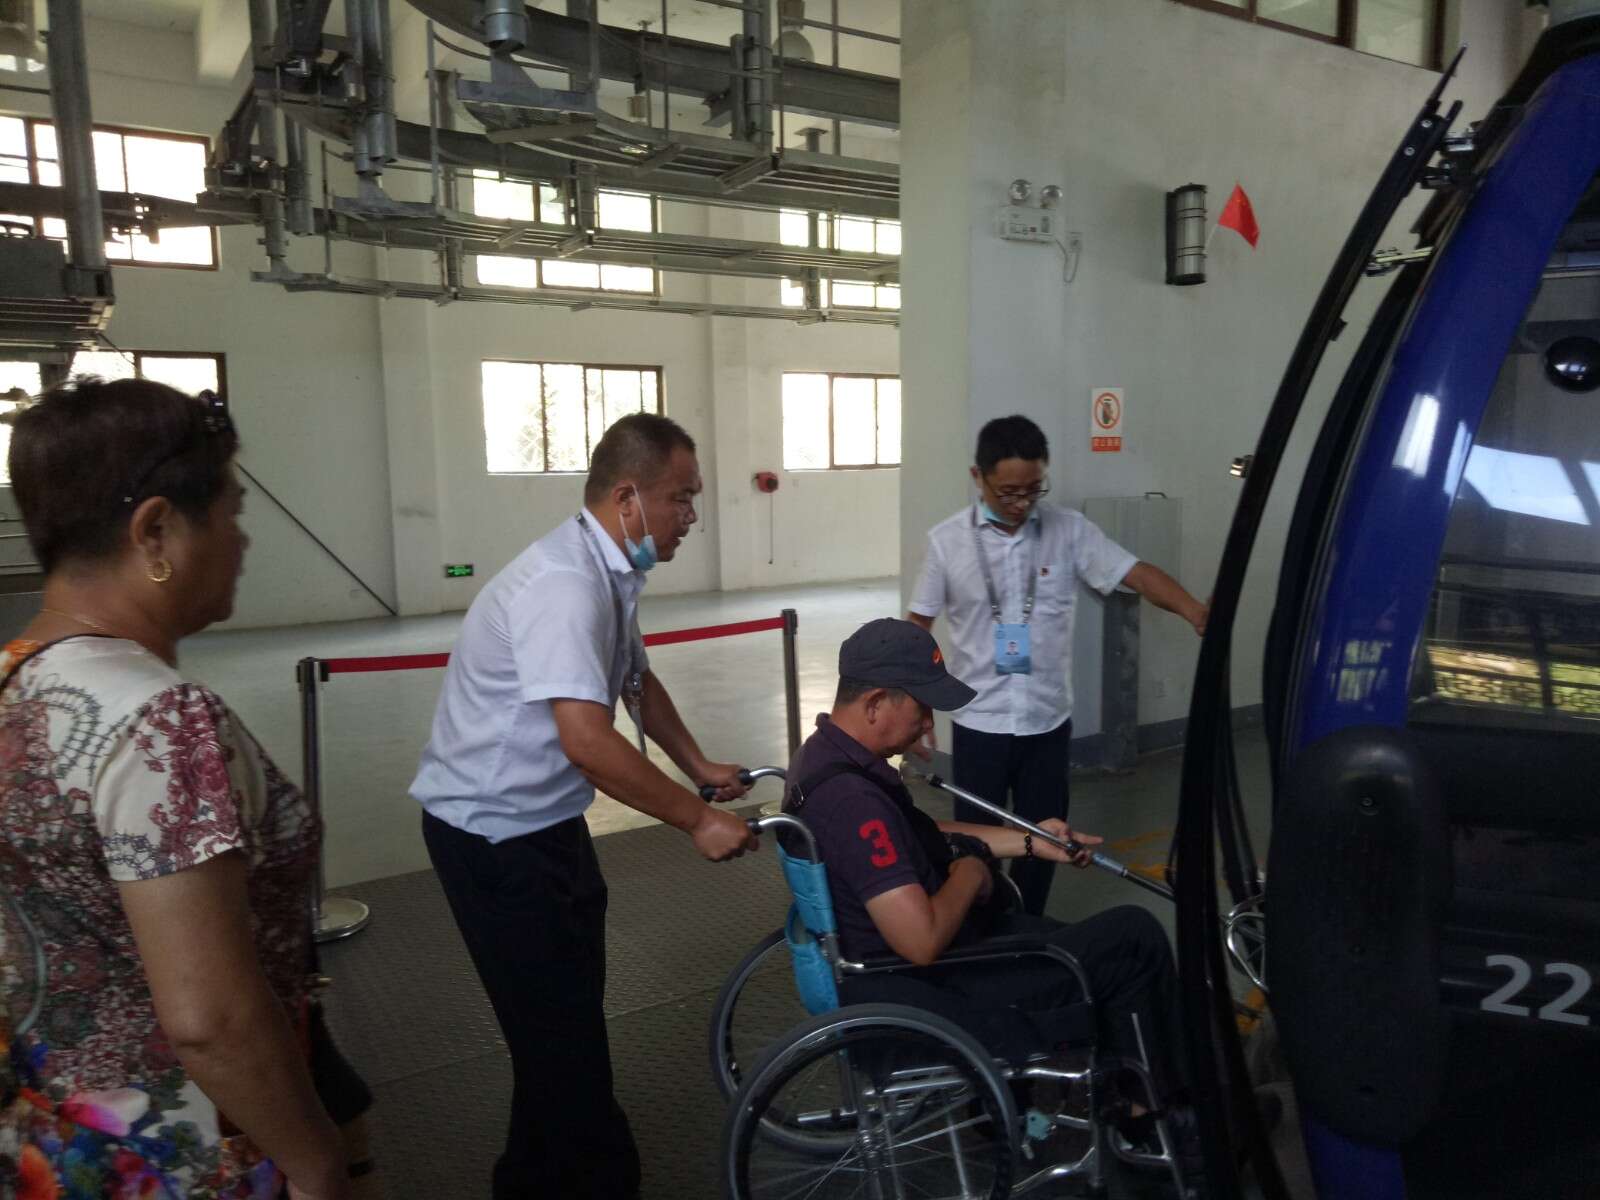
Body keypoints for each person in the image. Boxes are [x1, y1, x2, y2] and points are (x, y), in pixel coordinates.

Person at [0, 378, 375, 1199]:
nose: (243, 540)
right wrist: (316, 1161)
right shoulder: (159, 721)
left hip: (54, 1141)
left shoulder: (14, 681)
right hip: (187, 1153)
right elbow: (211, 1020)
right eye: (232, 513)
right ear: (156, 530)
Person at [410, 412, 758, 1200]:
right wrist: (697, 818)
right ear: (627, 498)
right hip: (491, 835)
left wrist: (697, 766)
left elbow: (635, 677)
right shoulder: (564, 584)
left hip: (546, 823)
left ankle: (527, 1179)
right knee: (564, 1048)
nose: (691, 516)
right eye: (681, 498)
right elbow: (588, 742)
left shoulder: (608, 570)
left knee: (560, 1032)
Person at [783, 618, 1192, 1142]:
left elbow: (919, 834)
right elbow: (921, 940)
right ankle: (1163, 1128)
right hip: (929, 989)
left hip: (900, 973)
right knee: (1134, 939)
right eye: (921, 707)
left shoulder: (824, 758)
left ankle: (1089, 1101)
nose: (928, 724)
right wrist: (972, 871)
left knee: (1062, 933)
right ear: (876, 703)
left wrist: (1030, 841)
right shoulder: (853, 803)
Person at [908, 414, 1208, 915]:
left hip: (1047, 724)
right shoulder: (947, 542)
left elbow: (1135, 573)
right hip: (979, 722)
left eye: (1033, 489)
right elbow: (917, 628)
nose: (1021, 503)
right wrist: (917, 706)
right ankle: (981, 935)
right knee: (975, 848)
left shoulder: (1068, 531)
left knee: (1046, 841)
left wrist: (1195, 611)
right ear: (978, 477)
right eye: (1008, 492)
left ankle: (1028, 927)